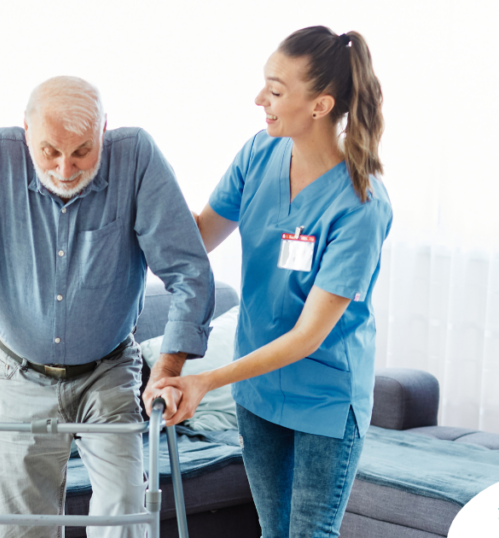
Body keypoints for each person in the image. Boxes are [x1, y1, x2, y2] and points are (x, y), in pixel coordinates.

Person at [0, 76, 214, 538]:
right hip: (17, 373)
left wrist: (167, 369)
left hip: (107, 370)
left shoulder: (136, 156)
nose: (65, 168)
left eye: (82, 151)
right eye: (50, 152)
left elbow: (189, 271)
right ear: (26, 133)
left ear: (105, 130)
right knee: (24, 529)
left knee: (125, 510)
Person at [153, 27, 392, 538]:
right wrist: (136, 184)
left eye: (276, 91)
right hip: (258, 390)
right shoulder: (258, 155)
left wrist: (205, 380)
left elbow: (309, 336)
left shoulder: (360, 204)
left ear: (320, 105)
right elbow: (197, 238)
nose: (260, 99)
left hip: (326, 398)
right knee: (272, 532)